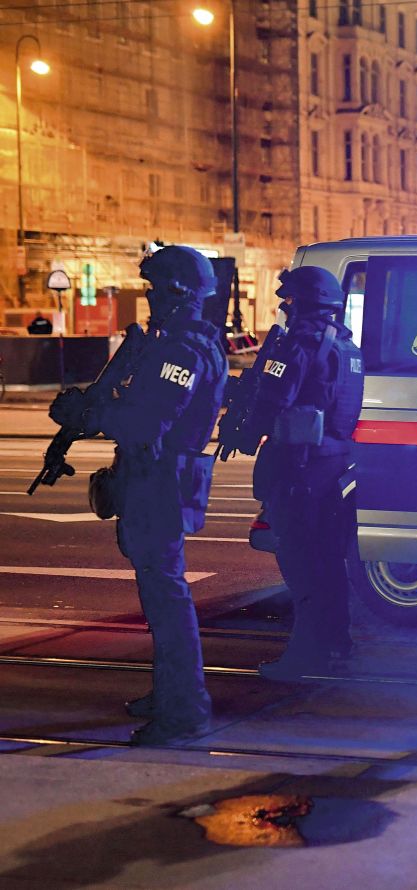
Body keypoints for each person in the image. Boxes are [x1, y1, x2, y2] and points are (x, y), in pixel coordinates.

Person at [48, 245, 226, 745]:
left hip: (160, 482)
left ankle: (185, 710)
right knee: (158, 594)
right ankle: (169, 694)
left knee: (167, 597)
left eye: (152, 289)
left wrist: (87, 416)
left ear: (175, 291)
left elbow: (149, 423)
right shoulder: (176, 342)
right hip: (154, 479)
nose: (147, 298)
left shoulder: (183, 349)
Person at [227, 266, 363, 680]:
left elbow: (273, 399)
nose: (284, 307)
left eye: (289, 300)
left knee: (301, 564)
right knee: (328, 561)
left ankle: (305, 657)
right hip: (335, 465)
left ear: (305, 303)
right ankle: (338, 643)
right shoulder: (347, 347)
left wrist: (242, 411)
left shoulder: (300, 344)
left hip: (299, 465)